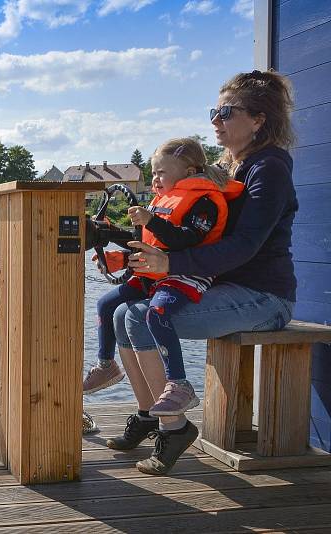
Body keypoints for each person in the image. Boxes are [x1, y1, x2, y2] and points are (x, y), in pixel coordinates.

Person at [106, 69, 298, 476]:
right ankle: (148, 413)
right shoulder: (223, 170)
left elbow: (245, 246)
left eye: (226, 112)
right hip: (223, 286)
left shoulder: (270, 169)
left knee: (141, 316)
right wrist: (119, 236)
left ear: (259, 119)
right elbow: (182, 230)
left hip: (264, 297)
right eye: (214, 110)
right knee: (123, 314)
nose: (215, 120)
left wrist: (171, 265)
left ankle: (173, 426)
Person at [84, 138, 244, 419]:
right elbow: (146, 240)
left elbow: (186, 240)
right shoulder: (163, 200)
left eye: (161, 172)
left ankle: (179, 384)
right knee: (107, 305)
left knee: (157, 312)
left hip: (187, 275)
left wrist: (151, 221)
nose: (156, 179)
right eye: (154, 173)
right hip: (155, 273)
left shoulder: (206, 202)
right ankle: (106, 364)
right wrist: (113, 244)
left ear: (190, 172)